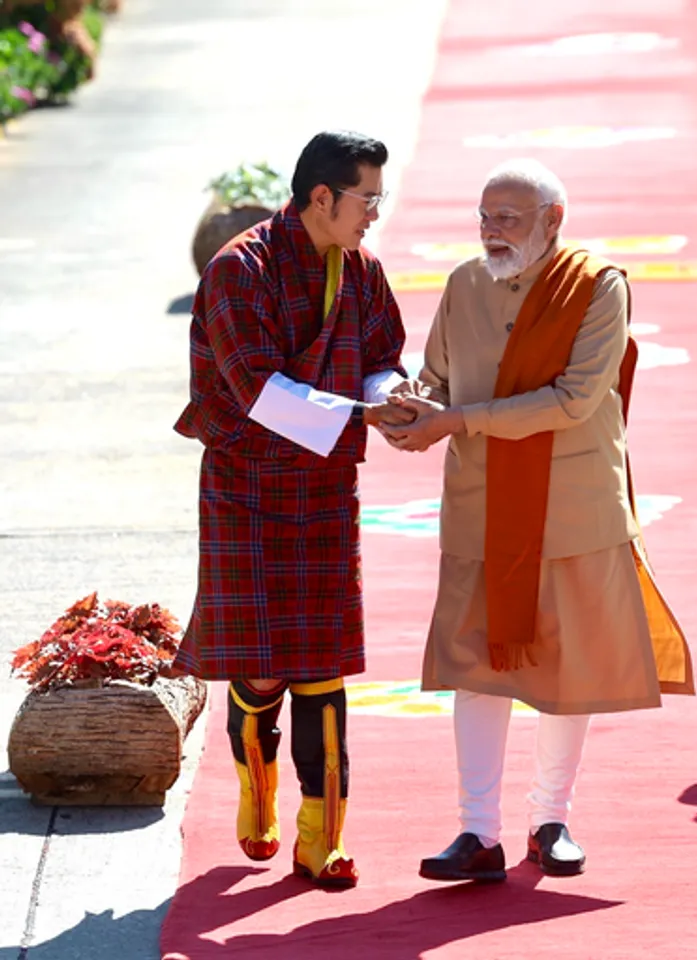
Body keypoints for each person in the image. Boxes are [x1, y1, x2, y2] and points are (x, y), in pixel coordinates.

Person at [381, 158, 695, 882]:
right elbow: (438, 373)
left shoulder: (596, 287)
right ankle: (476, 833)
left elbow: (574, 399)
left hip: (571, 507)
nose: (492, 232)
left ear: (553, 221)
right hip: (480, 505)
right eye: (485, 217)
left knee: (566, 669)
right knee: (476, 670)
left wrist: (455, 419)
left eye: (509, 219)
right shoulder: (463, 284)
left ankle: (550, 820)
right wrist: (410, 405)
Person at [172, 130, 414, 889]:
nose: (375, 212)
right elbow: (257, 394)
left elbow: (383, 355)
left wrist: (391, 394)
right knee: (264, 672)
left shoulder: (362, 270)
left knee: (323, 672)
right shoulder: (238, 270)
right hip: (246, 485)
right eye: (366, 198)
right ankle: (257, 789)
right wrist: (362, 418)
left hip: (324, 488)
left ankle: (322, 833)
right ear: (321, 198)